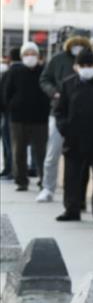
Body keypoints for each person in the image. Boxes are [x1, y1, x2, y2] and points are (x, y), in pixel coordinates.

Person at [53, 48, 93, 222]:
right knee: (73, 177)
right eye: (82, 65)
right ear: (76, 66)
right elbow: (60, 110)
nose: (86, 68)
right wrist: (65, 128)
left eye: (90, 65)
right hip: (74, 139)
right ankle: (72, 209)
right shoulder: (68, 84)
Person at [39, 33, 93, 203]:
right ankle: (48, 188)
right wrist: (53, 92)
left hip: (83, 117)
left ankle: (78, 197)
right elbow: (45, 79)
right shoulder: (58, 59)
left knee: (80, 158)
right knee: (52, 153)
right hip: (59, 112)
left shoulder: (91, 60)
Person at [5, 42, 50, 193]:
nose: (30, 57)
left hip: (40, 118)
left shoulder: (44, 72)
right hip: (18, 118)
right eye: (27, 54)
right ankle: (21, 180)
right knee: (19, 151)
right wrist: (10, 107)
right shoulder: (14, 72)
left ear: (38, 56)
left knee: (41, 152)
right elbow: (6, 92)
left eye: (33, 54)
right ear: (22, 56)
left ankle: (44, 180)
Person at [0, 48, 18, 179]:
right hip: (12, 112)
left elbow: (3, 93)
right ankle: (9, 168)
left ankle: (10, 169)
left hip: (8, 112)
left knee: (9, 141)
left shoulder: (9, 73)